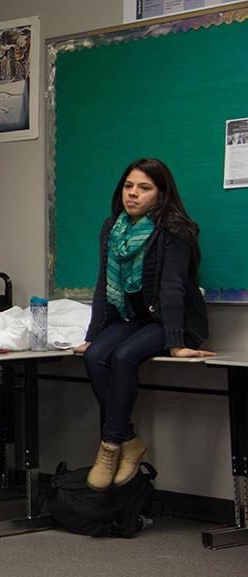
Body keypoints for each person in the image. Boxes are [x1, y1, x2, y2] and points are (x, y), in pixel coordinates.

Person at [73, 158, 214, 491]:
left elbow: (172, 287)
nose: (132, 194)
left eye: (144, 188)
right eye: (128, 186)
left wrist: (177, 343)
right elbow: (103, 286)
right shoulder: (113, 228)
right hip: (132, 318)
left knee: (123, 358)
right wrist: (92, 336)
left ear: (161, 195)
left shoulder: (175, 229)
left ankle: (109, 447)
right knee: (94, 358)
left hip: (171, 319)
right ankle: (131, 441)